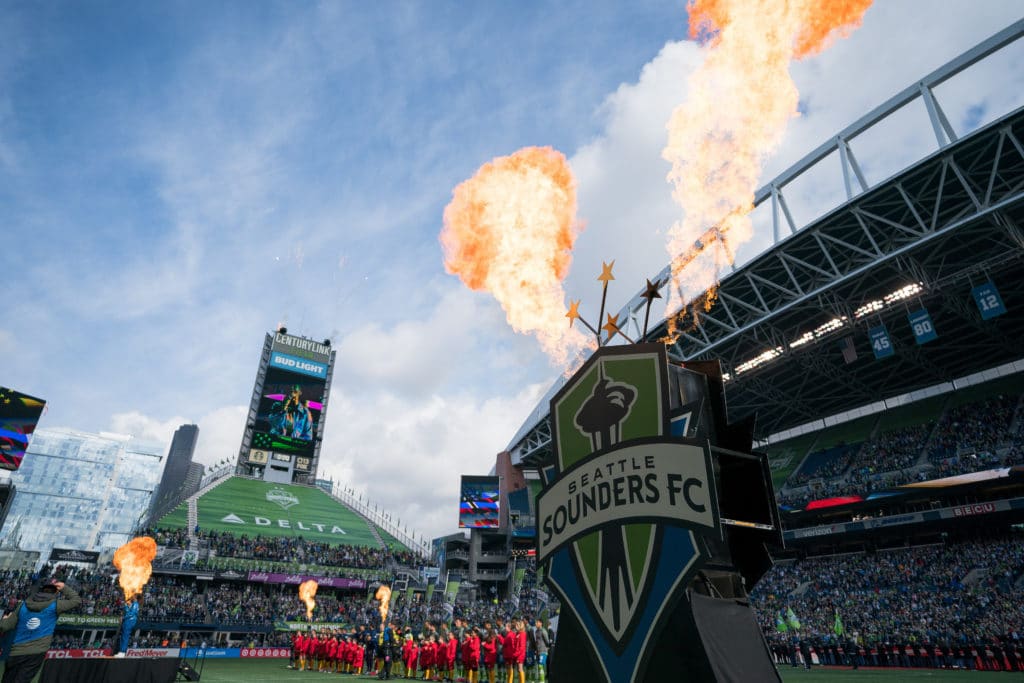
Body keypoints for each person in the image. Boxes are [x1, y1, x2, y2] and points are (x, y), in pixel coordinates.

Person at [0, 578, 82, 683]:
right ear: (55, 591)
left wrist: (4, 619)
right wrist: (64, 588)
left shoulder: (23, 605)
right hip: (36, 653)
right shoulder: (55, 605)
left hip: (16, 652)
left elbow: (4, 626)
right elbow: (76, 600)